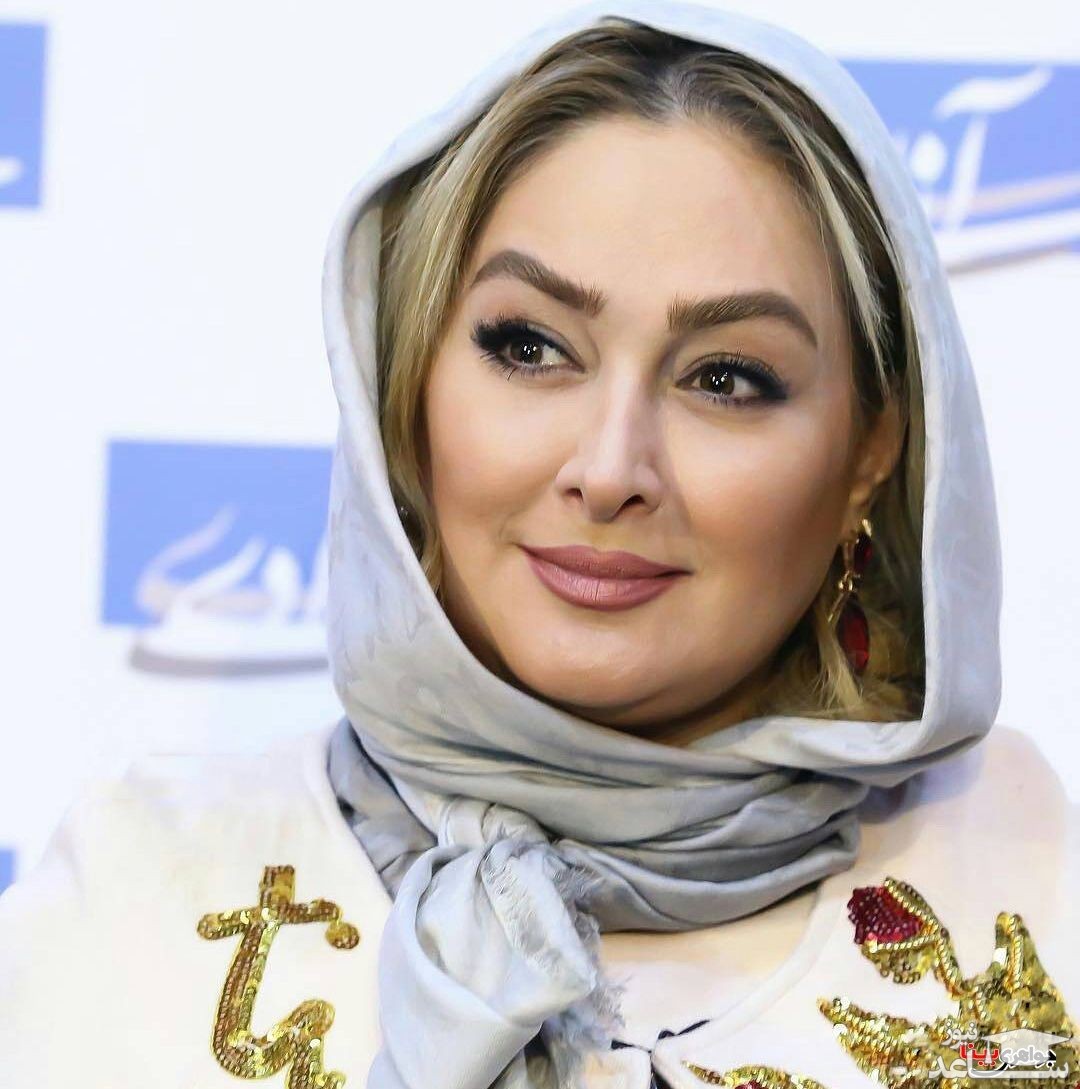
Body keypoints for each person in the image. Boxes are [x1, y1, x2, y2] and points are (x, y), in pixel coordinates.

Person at [2, 2, 1077, 1087]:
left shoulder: (1032, 873)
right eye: (531, 347)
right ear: (404, 390)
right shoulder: (139, 894)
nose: (609, 470)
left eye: (726, 378)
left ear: (867, 459)